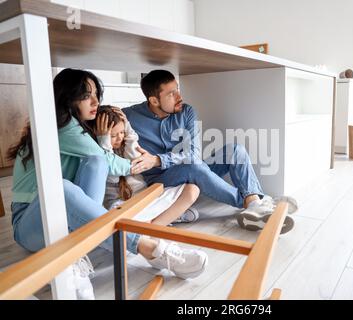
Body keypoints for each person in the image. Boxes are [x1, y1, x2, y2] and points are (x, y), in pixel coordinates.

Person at [7, 69, 208, 299]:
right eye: (85, 96)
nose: (95, 101)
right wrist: (142, 163)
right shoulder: (62, 128)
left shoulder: (79, 127)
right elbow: (110, 161)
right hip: (30, 222)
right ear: (67, 98)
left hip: (65, 222)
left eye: (96, 94)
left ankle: (79, 251)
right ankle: (151, 249)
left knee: (95, 163)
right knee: (63, 187)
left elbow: (103, 158)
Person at [122, 70, 298, 234]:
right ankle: (256, 202)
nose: (179, 96)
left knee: (235, 150)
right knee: (194, 166)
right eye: (171, 94)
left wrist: (158, 159)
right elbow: (103, 123)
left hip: (190, 167)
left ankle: (255, 203)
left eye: (178, 89)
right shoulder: (130, 116)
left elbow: (193, 153)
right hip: (160, 179)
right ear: (154, 101)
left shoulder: (187, 111)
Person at [94, 105, 201, 225]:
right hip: (121, 205)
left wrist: (127, 125)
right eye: (113, 136)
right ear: (101, 136)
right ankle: (160, 221)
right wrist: (104, 144)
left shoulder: (127, 145)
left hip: (145, 198)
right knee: (119, 218)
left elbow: (134, 155)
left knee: (192, 190)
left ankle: (152, 224)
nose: (120, 138)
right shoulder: (98, 153)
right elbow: (114, 175)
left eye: (122, 132)